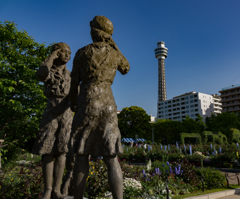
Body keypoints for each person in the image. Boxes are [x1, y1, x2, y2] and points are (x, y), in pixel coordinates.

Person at [69, 16, 130, 199]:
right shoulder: (114, 54)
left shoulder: (82, 52)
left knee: (82, 154)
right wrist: (114, 44)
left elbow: (74, 81)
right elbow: (126, 68)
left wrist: (74, 102)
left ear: (94, 31)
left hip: (87, 100)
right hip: (108, 103)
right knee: (111, 157)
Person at [32, 42, 73, 199]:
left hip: (66, 113)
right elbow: (41, 74)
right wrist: (52, 56)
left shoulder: (70, 75)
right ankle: (48, 189)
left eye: (69, 52)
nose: (68, 55)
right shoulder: (49, 71)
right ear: (56, 53)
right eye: (64, 52)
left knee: (62, 151)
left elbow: (75, 95)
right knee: (48, 150)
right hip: (51, 112)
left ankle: (57, 189)